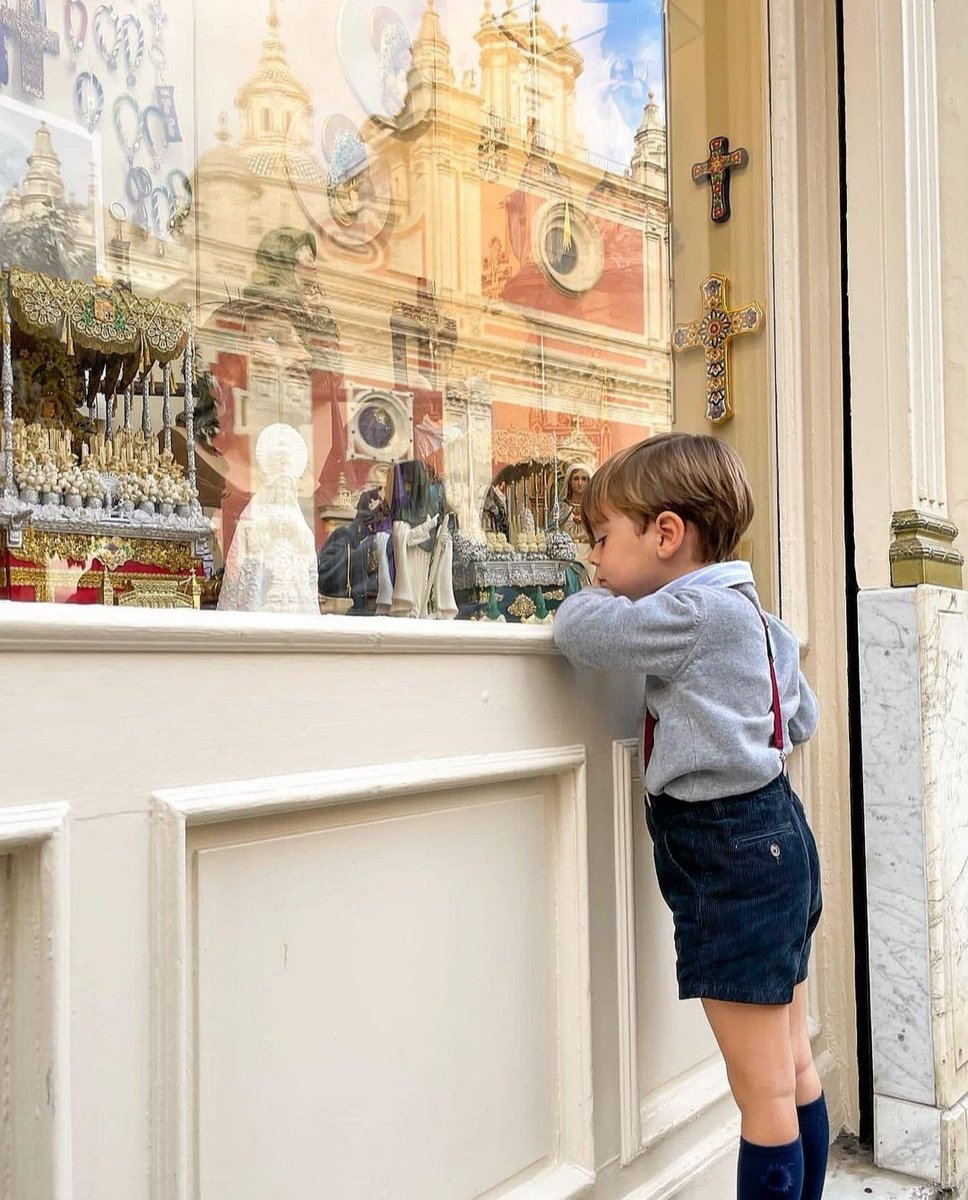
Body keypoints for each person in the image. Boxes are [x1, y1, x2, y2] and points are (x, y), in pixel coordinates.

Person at [553, 433, 826, 1200]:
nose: (595, 560)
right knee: (793, 1066)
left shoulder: (690, 612)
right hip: (779, 836)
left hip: (728, 853)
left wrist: (589, 594)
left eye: (602, 538)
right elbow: (801, 720)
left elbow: (578, 631)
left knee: (762, 1095)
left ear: (666, 534)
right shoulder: (759, 618)